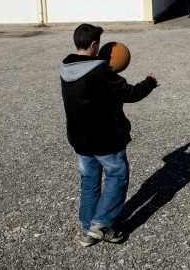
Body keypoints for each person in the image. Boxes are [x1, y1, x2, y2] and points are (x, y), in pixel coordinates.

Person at [60, 23, 159, 247]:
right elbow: (130, 94)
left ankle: (87, 230)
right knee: (117, 175)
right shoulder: (99, 71)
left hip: (79, 139)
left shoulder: (66, 67)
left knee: (89, 182)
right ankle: (101, 224)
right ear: (94, 45)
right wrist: (149, 83)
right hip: (105, 138)